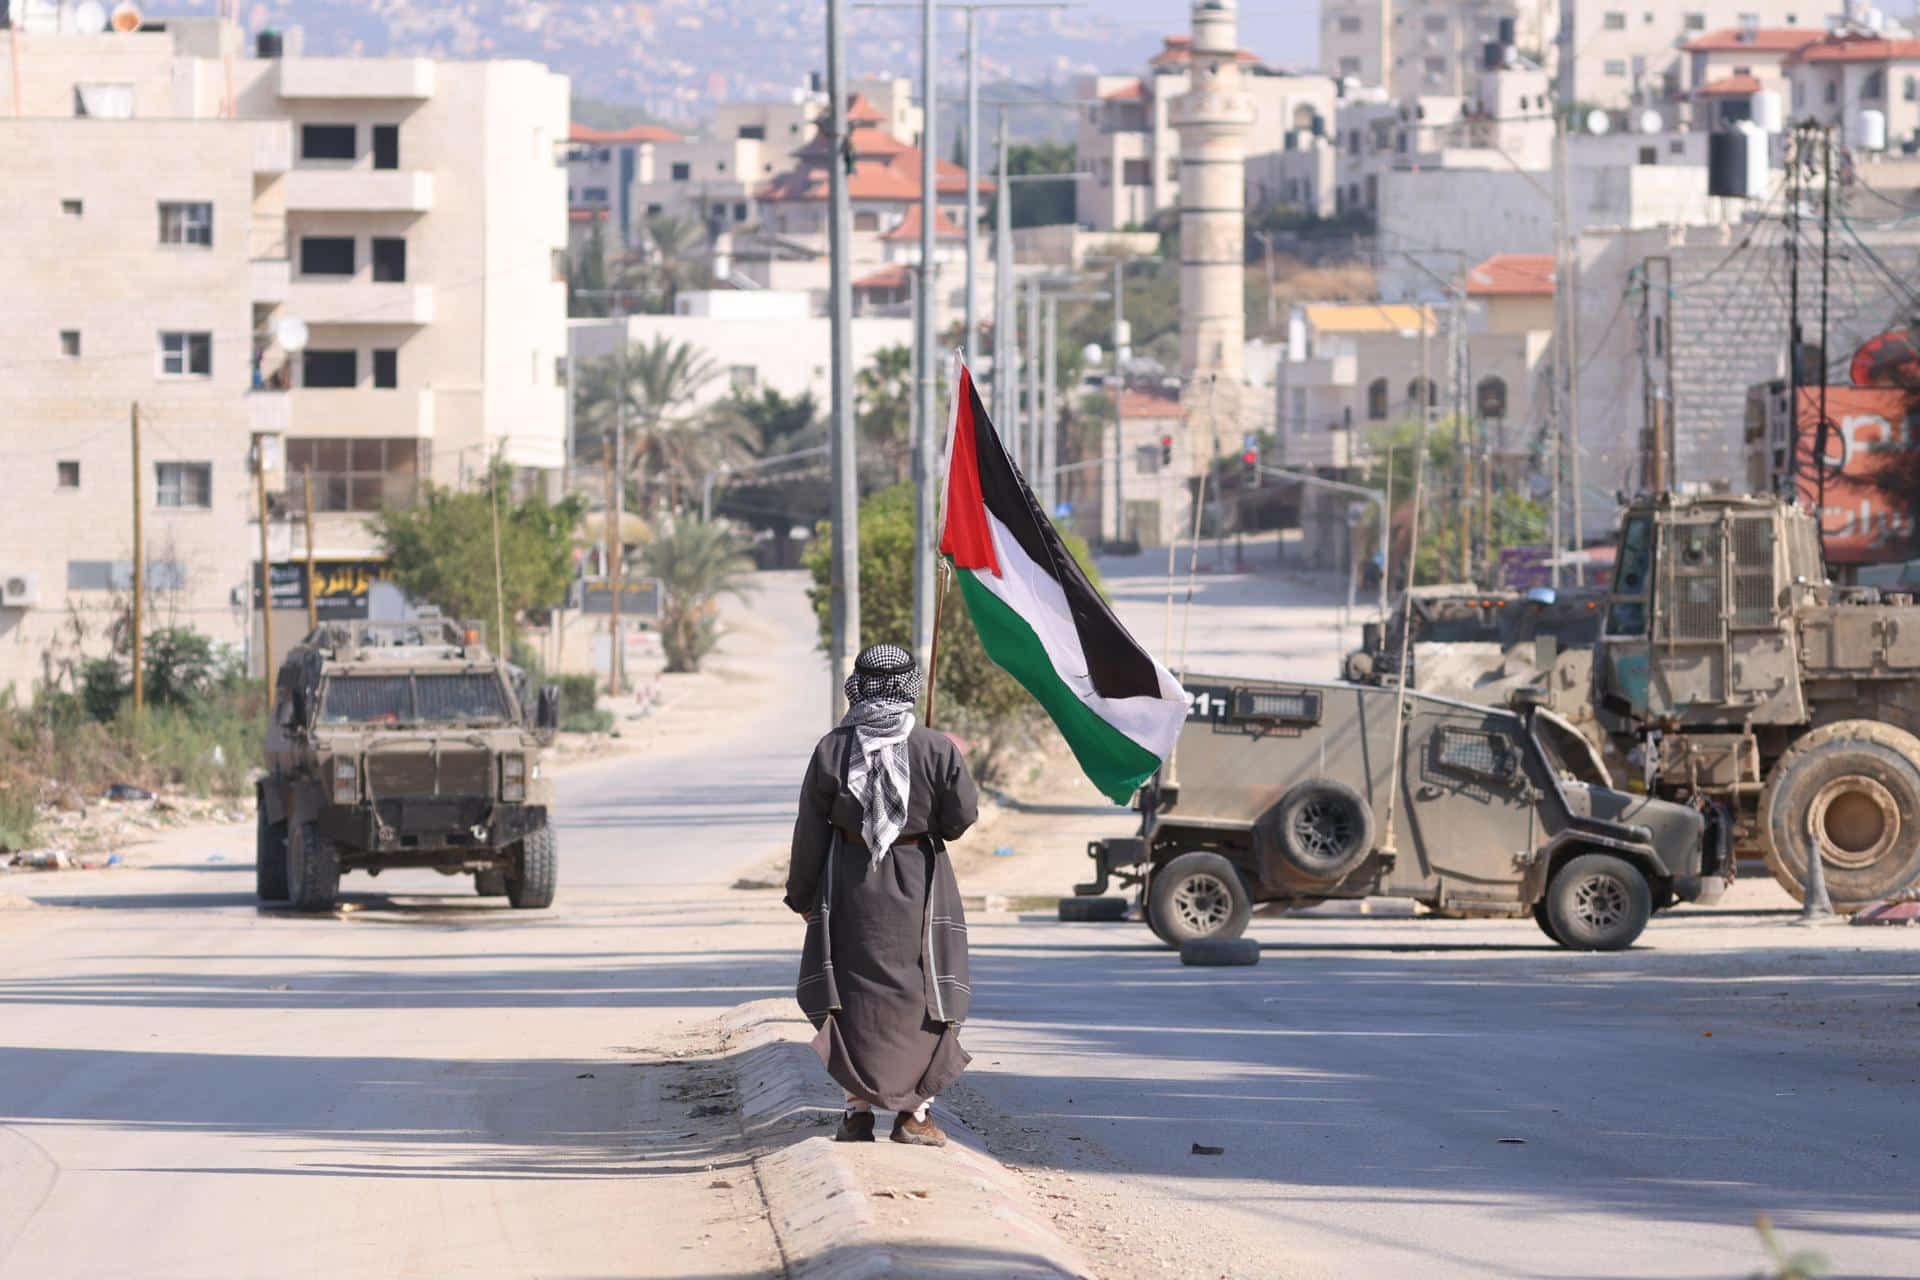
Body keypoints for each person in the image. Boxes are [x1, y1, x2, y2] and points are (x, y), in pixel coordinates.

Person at [785, 643, 979, 1146]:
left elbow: (809, 829)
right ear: (909, 685)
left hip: (850, 883)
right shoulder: (936, 747)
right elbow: (960, 820)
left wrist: (803, 894)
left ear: (860, 684)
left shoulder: (833, 747)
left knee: (853, 993)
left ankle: (856, 1114)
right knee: (923, 992)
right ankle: (915, 1118)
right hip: (920, 884)